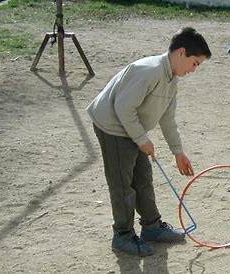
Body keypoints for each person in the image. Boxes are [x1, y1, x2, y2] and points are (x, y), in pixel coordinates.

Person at [87, 27, 211, 257]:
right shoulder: (149, 71)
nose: (194, 70)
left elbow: (167, 118)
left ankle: (152, 227)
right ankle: (122, 236)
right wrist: (142, 140)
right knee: (123, 183)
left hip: (131, 128)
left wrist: (178, 152)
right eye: (195, 63)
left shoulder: (172, 79)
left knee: (143, 177)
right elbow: (123, 108)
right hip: (112, 126)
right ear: (181, 52)